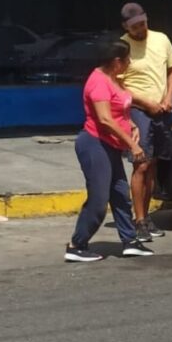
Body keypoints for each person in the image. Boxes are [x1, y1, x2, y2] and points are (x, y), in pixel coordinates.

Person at [64, 40, 154, 262]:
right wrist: (133, 145)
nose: (129, 62)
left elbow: (120, 109)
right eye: (127, 59)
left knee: (121, 195)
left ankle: (130, 241)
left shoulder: (114, 79)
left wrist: (131, 124)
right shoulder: (98, 83)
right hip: (95, 145)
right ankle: (77, 244)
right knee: (99, 199)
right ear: (116, 61)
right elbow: (104, 119)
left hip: (111, 146)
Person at [120, 2, 172, 241]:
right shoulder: (122, 46)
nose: (141, 28)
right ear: (126, 26)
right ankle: (139, 220)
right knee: (141, 164)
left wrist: (169, 97)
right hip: (138, 111)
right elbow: (119, 85)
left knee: (154, 163)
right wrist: (146, 103)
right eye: (135, 26)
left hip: (162, 110)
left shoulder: (161, 39)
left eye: (143, 23)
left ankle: (147, 216)